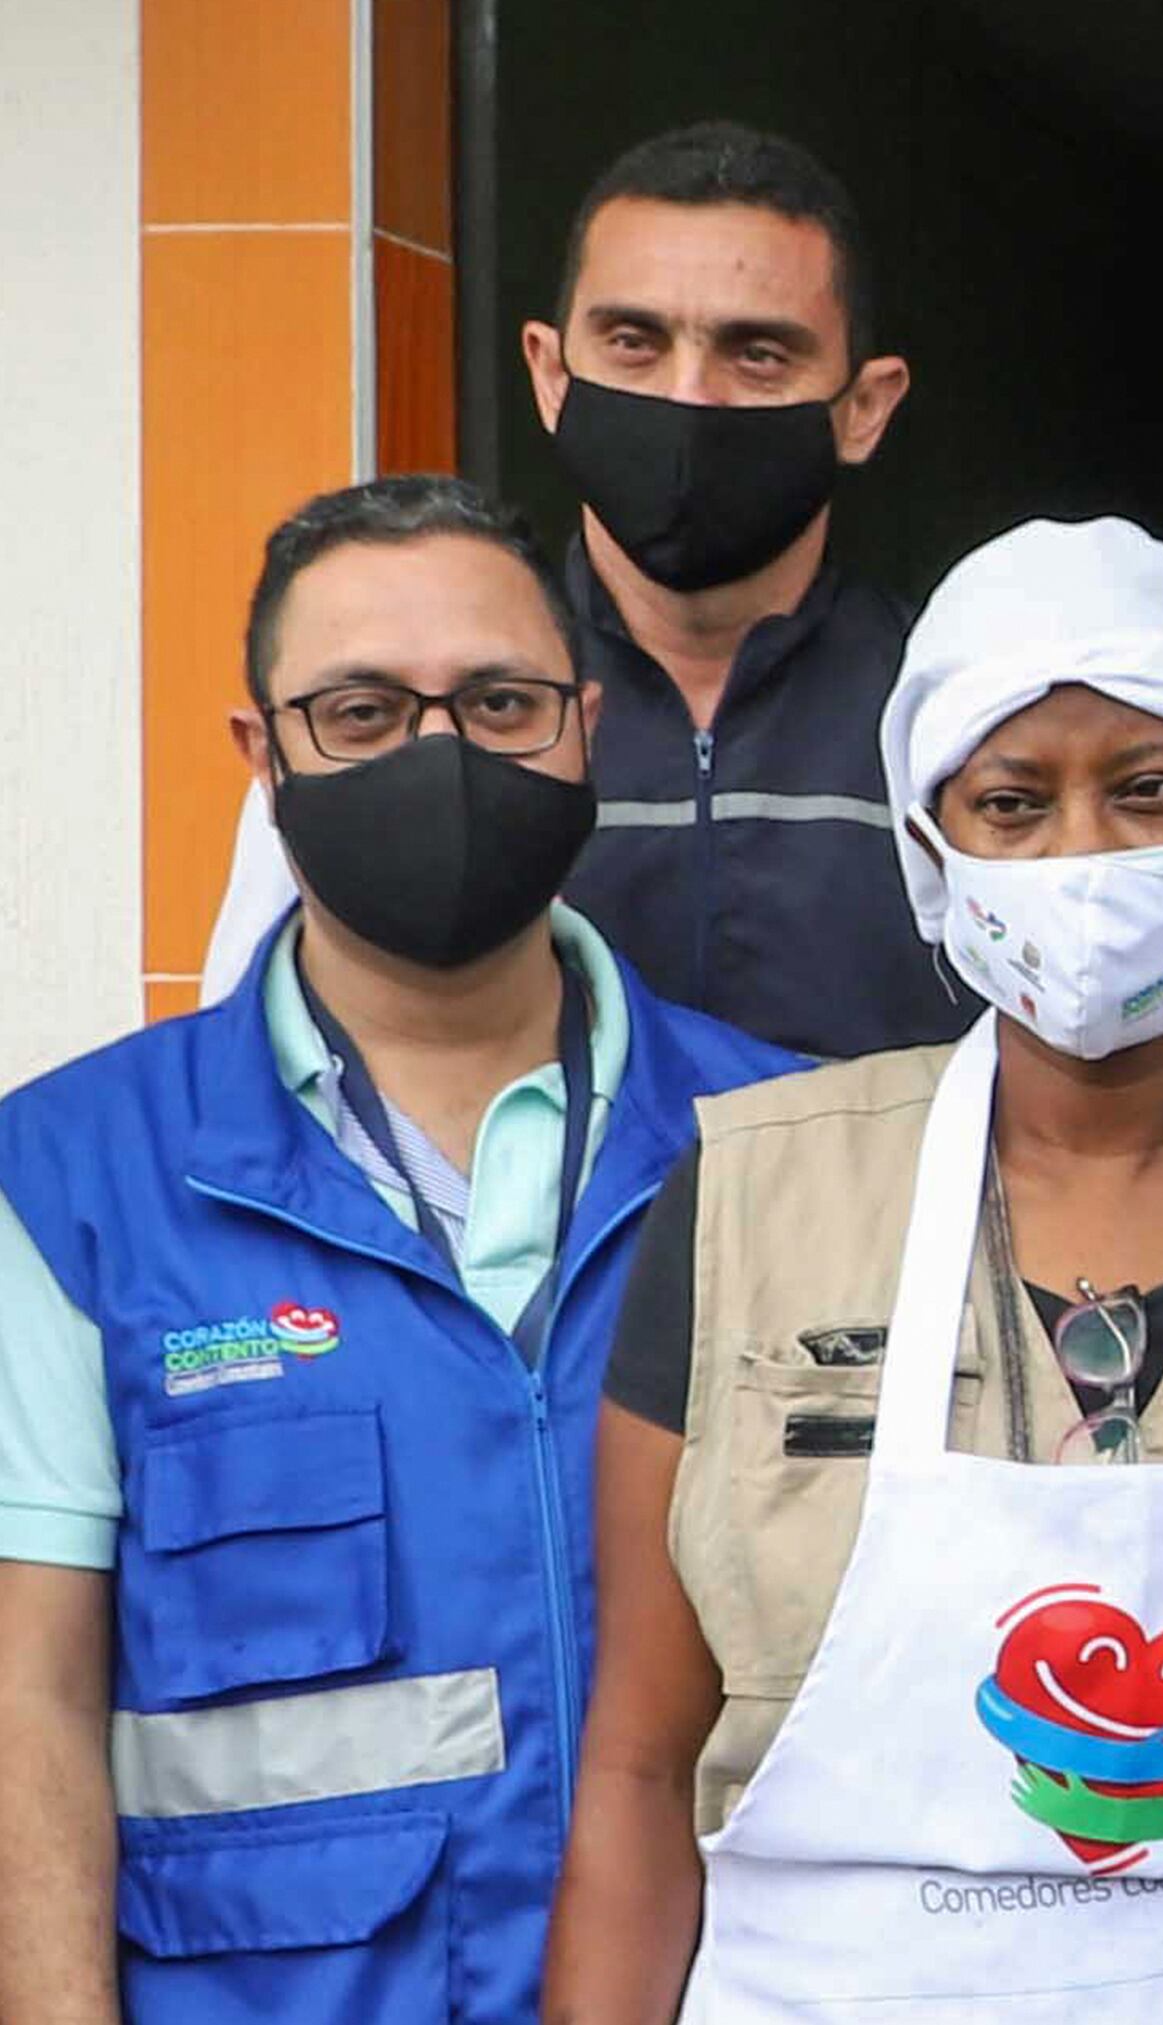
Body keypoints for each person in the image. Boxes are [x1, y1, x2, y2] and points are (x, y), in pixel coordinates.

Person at [539, 517, 1163, 2021]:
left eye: (1150, 790)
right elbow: (639, 1771)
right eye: (1012, 803)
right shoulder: (753, 1199)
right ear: (931, 848)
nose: (1085, 857)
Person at [0, 476, 798, 2024]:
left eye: (500, 704)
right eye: (362, 712)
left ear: (584, 728)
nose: (442, 756)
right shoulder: (68, 1184)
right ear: (263, 753)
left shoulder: (792, 1145)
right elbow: (27, 1708)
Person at [201, 121, 951, 1062]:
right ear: (552, 376)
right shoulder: (404, 718)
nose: (691, 397)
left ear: (865, 407)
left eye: (757, 353)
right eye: (634, 341)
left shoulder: (955, 719)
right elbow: (246, 1066)